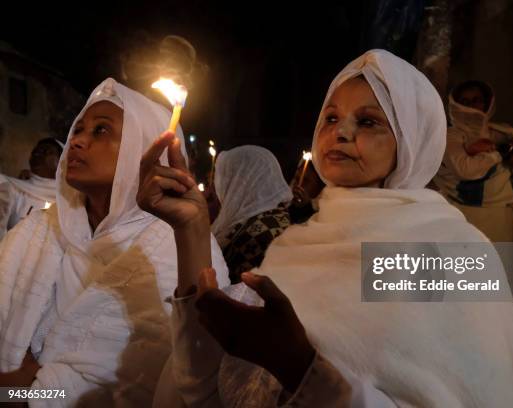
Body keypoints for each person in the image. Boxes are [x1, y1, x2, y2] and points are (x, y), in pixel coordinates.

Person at [140, 50, 513, 407]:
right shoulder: (296, 246)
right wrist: (190, 229)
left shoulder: (455, 253)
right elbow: (205, 390)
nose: (340, 132)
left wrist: (299, 367)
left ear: (411, 142)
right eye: (330, 117)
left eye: (367, 121)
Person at [0, 78, 229, 406]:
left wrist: (20, 391)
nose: (77, 141)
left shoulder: (176, 246)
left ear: (142, 146)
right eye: (78, 130)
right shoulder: (40, 228)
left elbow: (150, 383)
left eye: (101, 131)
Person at [434, 80, 513, 242]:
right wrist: (500, 151)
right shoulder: (450, 137)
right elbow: (465, 170)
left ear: (487, 103)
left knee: (504, 265)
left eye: (476, 100)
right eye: (465, 102)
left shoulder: (504, 133)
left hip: (503, 221)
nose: (471, 106)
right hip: (463, 218)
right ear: (455, 105)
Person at [210, 145, 293, 283]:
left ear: (240, 182)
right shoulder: (276, 216)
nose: (215, 188)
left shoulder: (256, 235)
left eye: (222, 179)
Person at [0, 138, 63, 239]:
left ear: (62, 160)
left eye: (46, 151)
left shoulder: (69, 198)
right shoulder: (13, 188)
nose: (37, 155)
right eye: (35, 152)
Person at [288, 159, 325, 224]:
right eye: (297, 179)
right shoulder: (281, 208)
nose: (298, 185)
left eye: (305, 180)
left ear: (320, 186)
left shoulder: (323, 218)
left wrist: (305, 208)